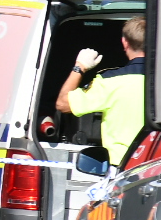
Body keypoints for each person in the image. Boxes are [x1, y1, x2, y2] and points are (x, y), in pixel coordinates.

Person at [56, 15, 145, 166]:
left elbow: (63, 104)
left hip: (122, 167)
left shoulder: (108, 81)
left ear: (124, 42)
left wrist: (80, 66)